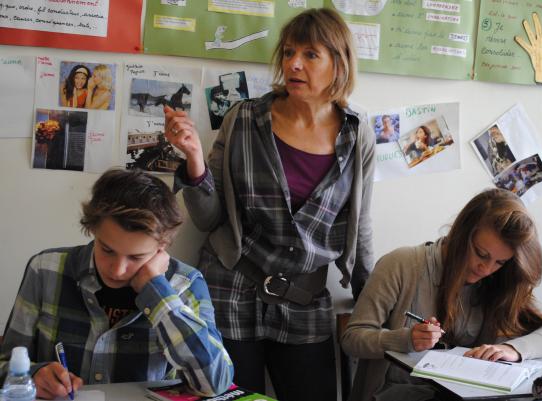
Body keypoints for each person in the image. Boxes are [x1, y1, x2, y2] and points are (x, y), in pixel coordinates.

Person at [164, 8, 375, 401]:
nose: (293, 63)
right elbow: (209, 218)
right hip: (229, 287)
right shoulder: (243, 119)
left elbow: (359, 224)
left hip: (305, 297)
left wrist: (371, 300)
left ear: (339, 63)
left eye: (311, 54)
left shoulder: (357, 133)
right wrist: (193, 160)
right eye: (289, 52)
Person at [0, 169, 233, 400]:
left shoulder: (186, 284)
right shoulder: (45, 270)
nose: (117, 269)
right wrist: (33, 373)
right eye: (107, 250)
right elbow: (5, 362)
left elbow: (215, 383)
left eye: (136, 257)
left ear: (163, 247)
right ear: (92, 229)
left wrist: (159, 294)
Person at [341, 188, 542, 401]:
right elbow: (352, 338)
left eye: (500, 262)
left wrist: (513, 350)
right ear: (461, 234)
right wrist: (405, 339)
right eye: (481, 254)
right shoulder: (402, 264)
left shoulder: (500, 281)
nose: (486, 269)